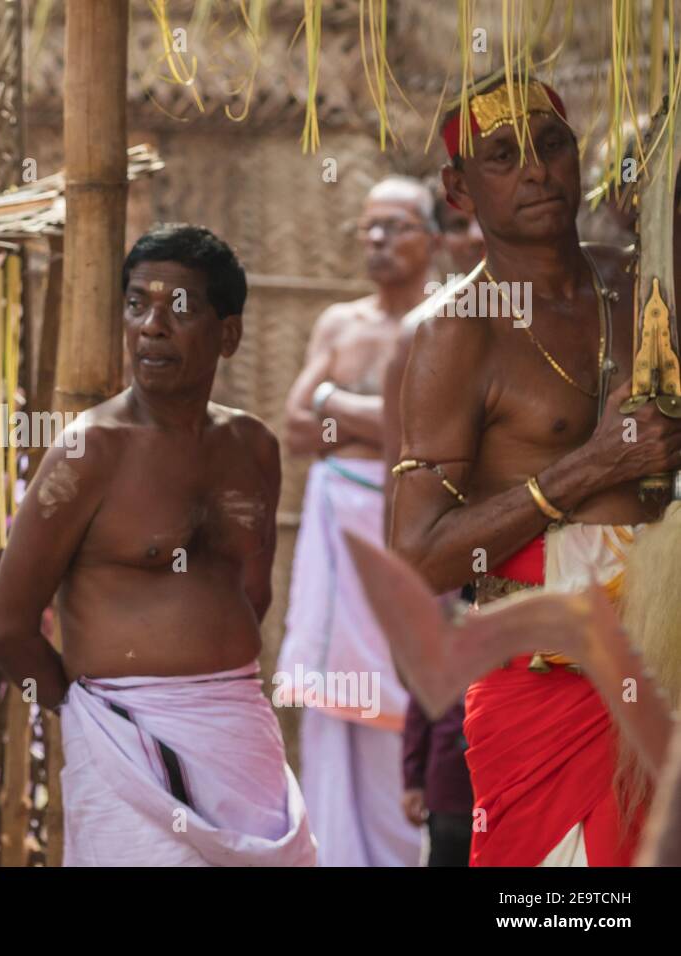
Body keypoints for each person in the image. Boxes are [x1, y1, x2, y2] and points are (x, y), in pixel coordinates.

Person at [390, 77, 681, 866]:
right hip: (542, 685)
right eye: (503, 156)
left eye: (552, 145)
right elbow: (419, 556)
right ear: (458, 189)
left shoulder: (644, 287)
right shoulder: (458, 333)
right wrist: (591, 466)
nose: (536, 170)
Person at [0, 223, 314, 867]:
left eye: (179, 309)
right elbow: (4, 627)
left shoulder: (253, 448)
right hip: (125, 742)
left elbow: (252, 595)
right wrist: (95, 716)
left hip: (240, 734)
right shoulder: (88, 451)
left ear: (229, 334)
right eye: (136, 305)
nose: (151, 327)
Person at [275, 176, 438, 867]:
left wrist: (337, 403)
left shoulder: (449, 322)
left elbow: (432, 437)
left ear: (432, 237)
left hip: (414, 531)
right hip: (339, 533)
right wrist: (389, 421)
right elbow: (296, 427)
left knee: (411, 690)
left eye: (394, 226)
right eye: (369, 226)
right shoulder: (339, 324)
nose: (376, 239)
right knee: (336, 707)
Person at [387, 185, 483, 868]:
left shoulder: (595, 316)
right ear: (440, 238)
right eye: (456, 222)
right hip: (454, 579)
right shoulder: (424, 333)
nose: (474, 234)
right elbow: (401, 481)